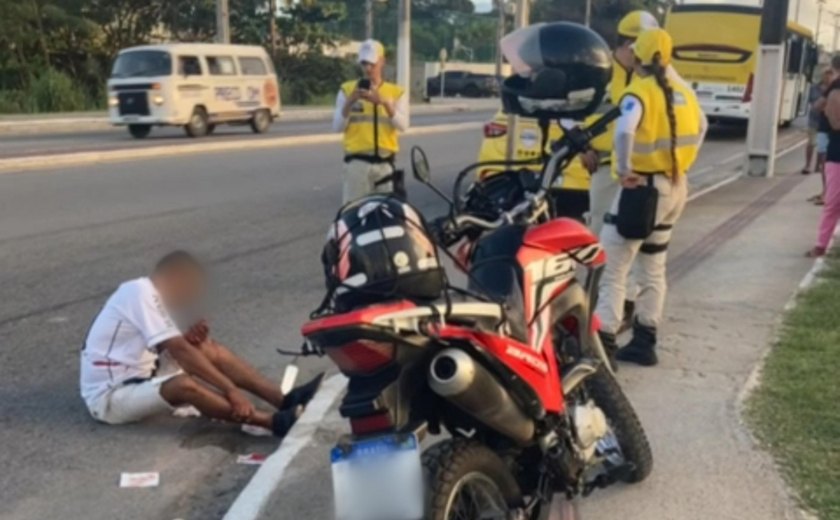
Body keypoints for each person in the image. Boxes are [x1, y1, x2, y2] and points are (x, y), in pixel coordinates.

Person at [80, 251, 324, 436]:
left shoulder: (148, 297)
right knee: (184, 384)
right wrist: (231, 390)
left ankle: (283, 400)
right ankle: (272, 423)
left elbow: (174, 347)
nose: (190, 295)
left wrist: (191, 342)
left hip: (144, 374)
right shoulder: (138, 291)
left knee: (207, 348)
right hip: (110, 397)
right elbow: (178, 349)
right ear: (175, 277)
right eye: (189, 287)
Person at [596, 28, 707, 366]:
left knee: (613, 267)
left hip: (641, 189)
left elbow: (625, 129)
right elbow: (702, 127)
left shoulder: (638, 91)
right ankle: (645, 340)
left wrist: (625, 168)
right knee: (653, 265)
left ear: (638, 56)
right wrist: (679, 165)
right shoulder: (683, 93)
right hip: (675, 187)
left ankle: (604, 345)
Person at [587, 10, 662, 333]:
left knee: (637, 243)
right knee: (603, 242)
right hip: (606, 167)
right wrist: (583, 146)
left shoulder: (648, 76)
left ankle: (622, 308)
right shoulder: (600, 73)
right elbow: (576, 110)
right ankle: (603, 310)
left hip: (640, 174)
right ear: (631, 45)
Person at [333, 39, 408, 204]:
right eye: (364, 63)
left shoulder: (395, 93)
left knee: (385, 219)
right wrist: (350, 102)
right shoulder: (346, 90)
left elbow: (403, 125)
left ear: (382, 61)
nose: (368, 69)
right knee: (354, 216)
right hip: (357, 165)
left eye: (372, 64)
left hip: (385, 166)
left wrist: (384, 103)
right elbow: (337, 127)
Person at [808, 55, 840, 258]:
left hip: (835, 152)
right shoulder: (835, 88)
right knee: (833, 201)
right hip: (837, 153)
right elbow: (834, 120)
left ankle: (823, 244)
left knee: (832, 202)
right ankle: (822, 244)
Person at [808, 69, 835, 205]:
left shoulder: (834, 89)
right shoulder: (824, 90)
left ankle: (828, 193)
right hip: (823, 128)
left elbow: (821, 107)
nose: (827, 80)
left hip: (831, 131)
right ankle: (826, 191)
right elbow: (815, 106)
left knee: (829, 164)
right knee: (825, 163)